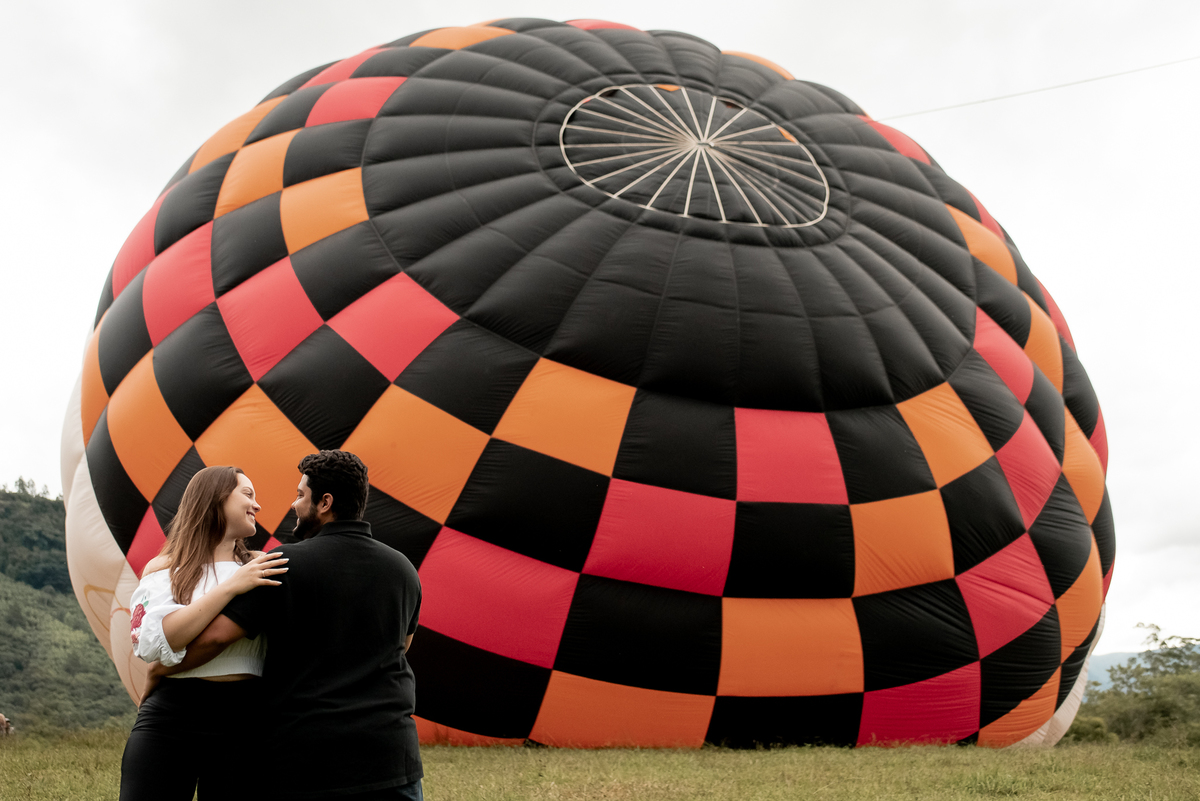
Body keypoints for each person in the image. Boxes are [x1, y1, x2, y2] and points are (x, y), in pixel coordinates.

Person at [147, 450, 424, 801]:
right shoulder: (402, 569)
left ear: (325, 503)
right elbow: (402, 647)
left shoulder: (284, 564)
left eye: (300, 496)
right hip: (392, 756)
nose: (293, 505)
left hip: (309, 759)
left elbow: (216, 637)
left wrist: (160, 670)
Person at [120, 465, 288, 801]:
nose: (257, 506)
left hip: (245, 718)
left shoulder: (263, 566)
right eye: (248, 494)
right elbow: (151, 642)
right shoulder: (165, 568)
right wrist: (231, 588)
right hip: (170, 715)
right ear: (216, 499)